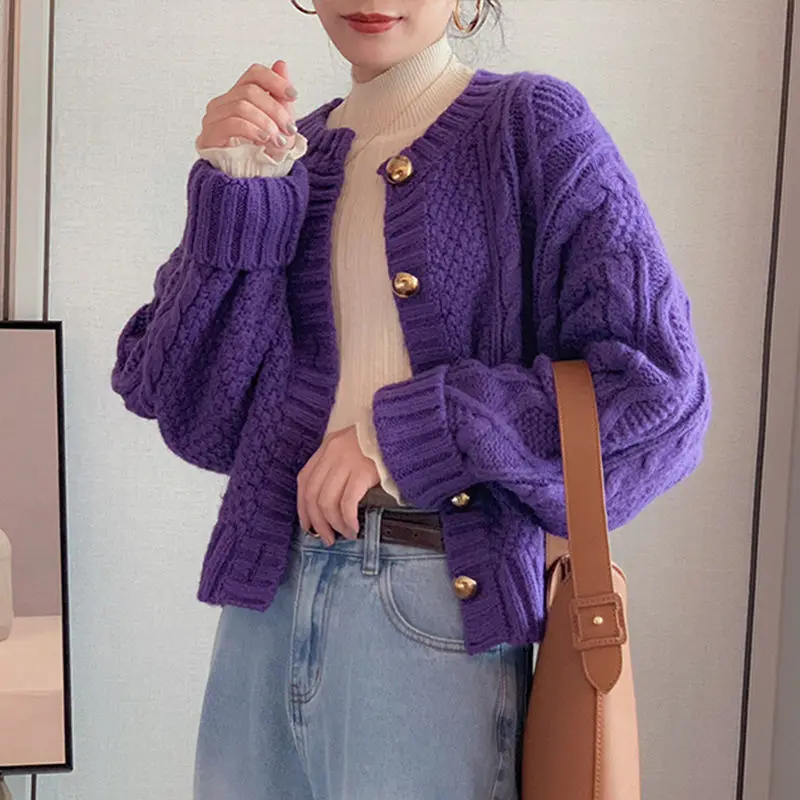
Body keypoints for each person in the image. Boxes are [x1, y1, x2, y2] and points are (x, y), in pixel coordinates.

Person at [111, 0, 711, 797]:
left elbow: (658, 390)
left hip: (432, 609)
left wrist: (402, 437)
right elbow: (191, 407)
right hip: (265, 601)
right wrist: (237, 195)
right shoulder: (292, 155)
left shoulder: (533, 128)